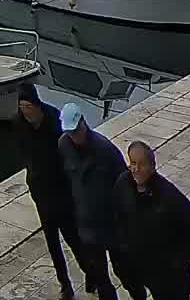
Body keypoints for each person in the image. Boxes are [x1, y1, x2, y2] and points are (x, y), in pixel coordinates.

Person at [113, 142, 190, 300]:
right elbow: (116, 216)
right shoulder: (123, 184)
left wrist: (178, 263)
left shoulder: (169, 196)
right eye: (133, 163)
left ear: (152, 166)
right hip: (137, 265)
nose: (136, 169)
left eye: (141, 164)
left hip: (167, 276)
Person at [58, 103, 132, 300]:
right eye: (69, 133)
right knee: (100, 277)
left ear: (84, 123)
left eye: (76, 131)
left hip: (112, 225)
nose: (74, 136)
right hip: (87, 226)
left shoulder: (105, 149)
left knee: (125, 273)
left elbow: (125, 184)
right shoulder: (63, 145)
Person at [13, 86, 80, 299]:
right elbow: (22, 150)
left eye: (28, 106)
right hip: (41, 192)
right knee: (52, 241)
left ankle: (90, 272)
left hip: (61, 191)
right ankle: (65, 284)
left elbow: (68, 154)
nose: (25, 111)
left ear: (37, 105)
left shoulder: (54, 119)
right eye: (22, 107)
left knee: (73, 238)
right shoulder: (19, 123)